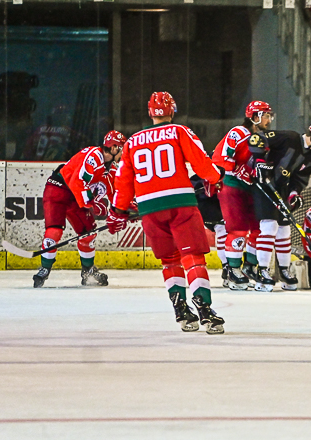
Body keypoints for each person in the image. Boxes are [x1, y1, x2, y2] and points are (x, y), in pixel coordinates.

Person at [106, 91, 226, 335]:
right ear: (172, 110)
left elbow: (124, 181)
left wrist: (118, 211)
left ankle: (181, 310)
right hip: (181, 203)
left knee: (169, 260)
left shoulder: (132, 142)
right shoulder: (179, 131)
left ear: (150, 113)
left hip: (151, 209)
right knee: (193, 257)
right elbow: (201, 162)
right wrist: (217, 176)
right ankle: (204, 310)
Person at [32, 130, 127, 289]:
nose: (124, 153)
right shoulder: (93, 156)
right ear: (113, 148)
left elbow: (116, 193)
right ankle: (45, 268)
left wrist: (128, 209)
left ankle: (88, 271)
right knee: (54, 232)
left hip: (77, 197)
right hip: (58, 189)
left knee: (89, 232)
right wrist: (91, 203)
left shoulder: (110, 168)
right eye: (122, 149)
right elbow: (78, 182)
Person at [247, 119, 311, 292]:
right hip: (263, 184)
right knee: (269, 227)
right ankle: (263, 271)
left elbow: (299, 180)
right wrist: (259, 161)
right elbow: (256, 139)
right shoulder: (289, 138)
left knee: (284, 230)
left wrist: (294, 194)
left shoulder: (310, 157)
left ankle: (284, 271)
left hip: (281, 189)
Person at [212, 100, 275, 290]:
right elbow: (219, 157)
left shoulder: (264, 139)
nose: (268, 119)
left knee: (257, 228)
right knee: (237, 229)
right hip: (232, 186)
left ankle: (249, 266)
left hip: (252, 188)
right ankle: (232, 269)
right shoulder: (239, 133)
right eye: (265, 115)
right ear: (255, 116)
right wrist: (236, 168)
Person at [190, 172, 230, 288]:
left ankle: (227, 268)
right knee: (223, 229)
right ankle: (229, 269)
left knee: (222, 229)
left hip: (203, 206)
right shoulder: (217, 165)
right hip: (209, 205)